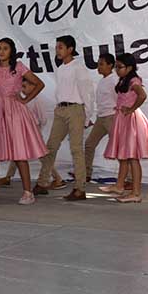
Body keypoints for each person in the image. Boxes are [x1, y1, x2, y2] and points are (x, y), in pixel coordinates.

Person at [0, 38, 47, 205]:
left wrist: (25, 100)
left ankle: (28, 192)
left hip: (14, 112)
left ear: (12, 50)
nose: (1, 51)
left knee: (19, 153)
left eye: (5, 48)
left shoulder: (18, 67)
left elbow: (39, 83)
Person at [34, 36, 95, 201]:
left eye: (61, 47)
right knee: (51, 146)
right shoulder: (61, 68)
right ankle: (42, 182)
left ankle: (80, 188)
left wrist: (88, 115)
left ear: (70, 49)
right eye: (57, 47)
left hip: (76, 109)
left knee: (76, 149)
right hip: (61, 109)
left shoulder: (78, 67)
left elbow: (87, 92)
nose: (57, 50)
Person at [102, 53, 148, 202]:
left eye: (120, 67)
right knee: (124, 155)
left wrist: (131, 109)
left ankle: (136, 193)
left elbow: (142, 95)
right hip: (122, 119)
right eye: (116, 67)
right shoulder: (124, 80)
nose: (117, 70)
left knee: (132, 157)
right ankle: (120, 186)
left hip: (130, 121)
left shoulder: (133, 80)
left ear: (130, 67)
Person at [0, 79, 66, 189]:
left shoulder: (36, 99)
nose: (22, 89)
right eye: (22, 87)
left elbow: (43, 118)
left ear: (33, 86)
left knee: (41, 155)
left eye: (25, 86)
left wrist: (36, 129)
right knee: (18, 153)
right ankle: (8, 177)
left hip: (33, 131)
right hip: (22, 130)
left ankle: (58, 178)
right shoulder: (21, 99)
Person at [86, 54, 119, 183]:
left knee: (120, 148)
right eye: (98, 64)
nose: (98, 67)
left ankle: (129, 178)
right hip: (101, 118)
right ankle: (86, 173)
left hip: (111, 117)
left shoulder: (114, 80)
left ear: (110, 65)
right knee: (89, 144)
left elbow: (120, 98)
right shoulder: (102, 81)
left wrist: (118, 116)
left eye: (101, 64)